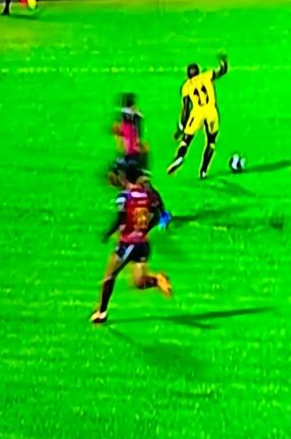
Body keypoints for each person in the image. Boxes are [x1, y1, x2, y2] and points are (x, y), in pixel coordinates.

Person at [91, 167, 172, 324]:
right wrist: (144, 230)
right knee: (139, 282)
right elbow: (157, 214)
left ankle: (102, 312)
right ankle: (157, 280)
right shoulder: (147, 195)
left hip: (128, 244)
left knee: (109, 277)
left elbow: (120, 220)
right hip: (143, 245)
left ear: (123, 178)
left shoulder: (124, 197)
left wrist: (108, 233)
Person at [109, 93, 171, 229]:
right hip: (130, 156)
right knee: (136, 185)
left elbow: (126, 134)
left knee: (144, 185)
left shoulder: (131, 117)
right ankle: (145, 211)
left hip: (136, 156)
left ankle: (162, 214)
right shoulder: (131, 117)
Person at [167, 55, 228, 179]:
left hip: (197, 113)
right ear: (199, 71)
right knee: (211, 141)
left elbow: (185, 108)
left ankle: (180, 157)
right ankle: (203, 170)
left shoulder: (186, 86)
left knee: (186, 140)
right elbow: (222, 71)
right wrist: (224, 61)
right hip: (211, 111)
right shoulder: (207, 76)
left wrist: (182, 127)